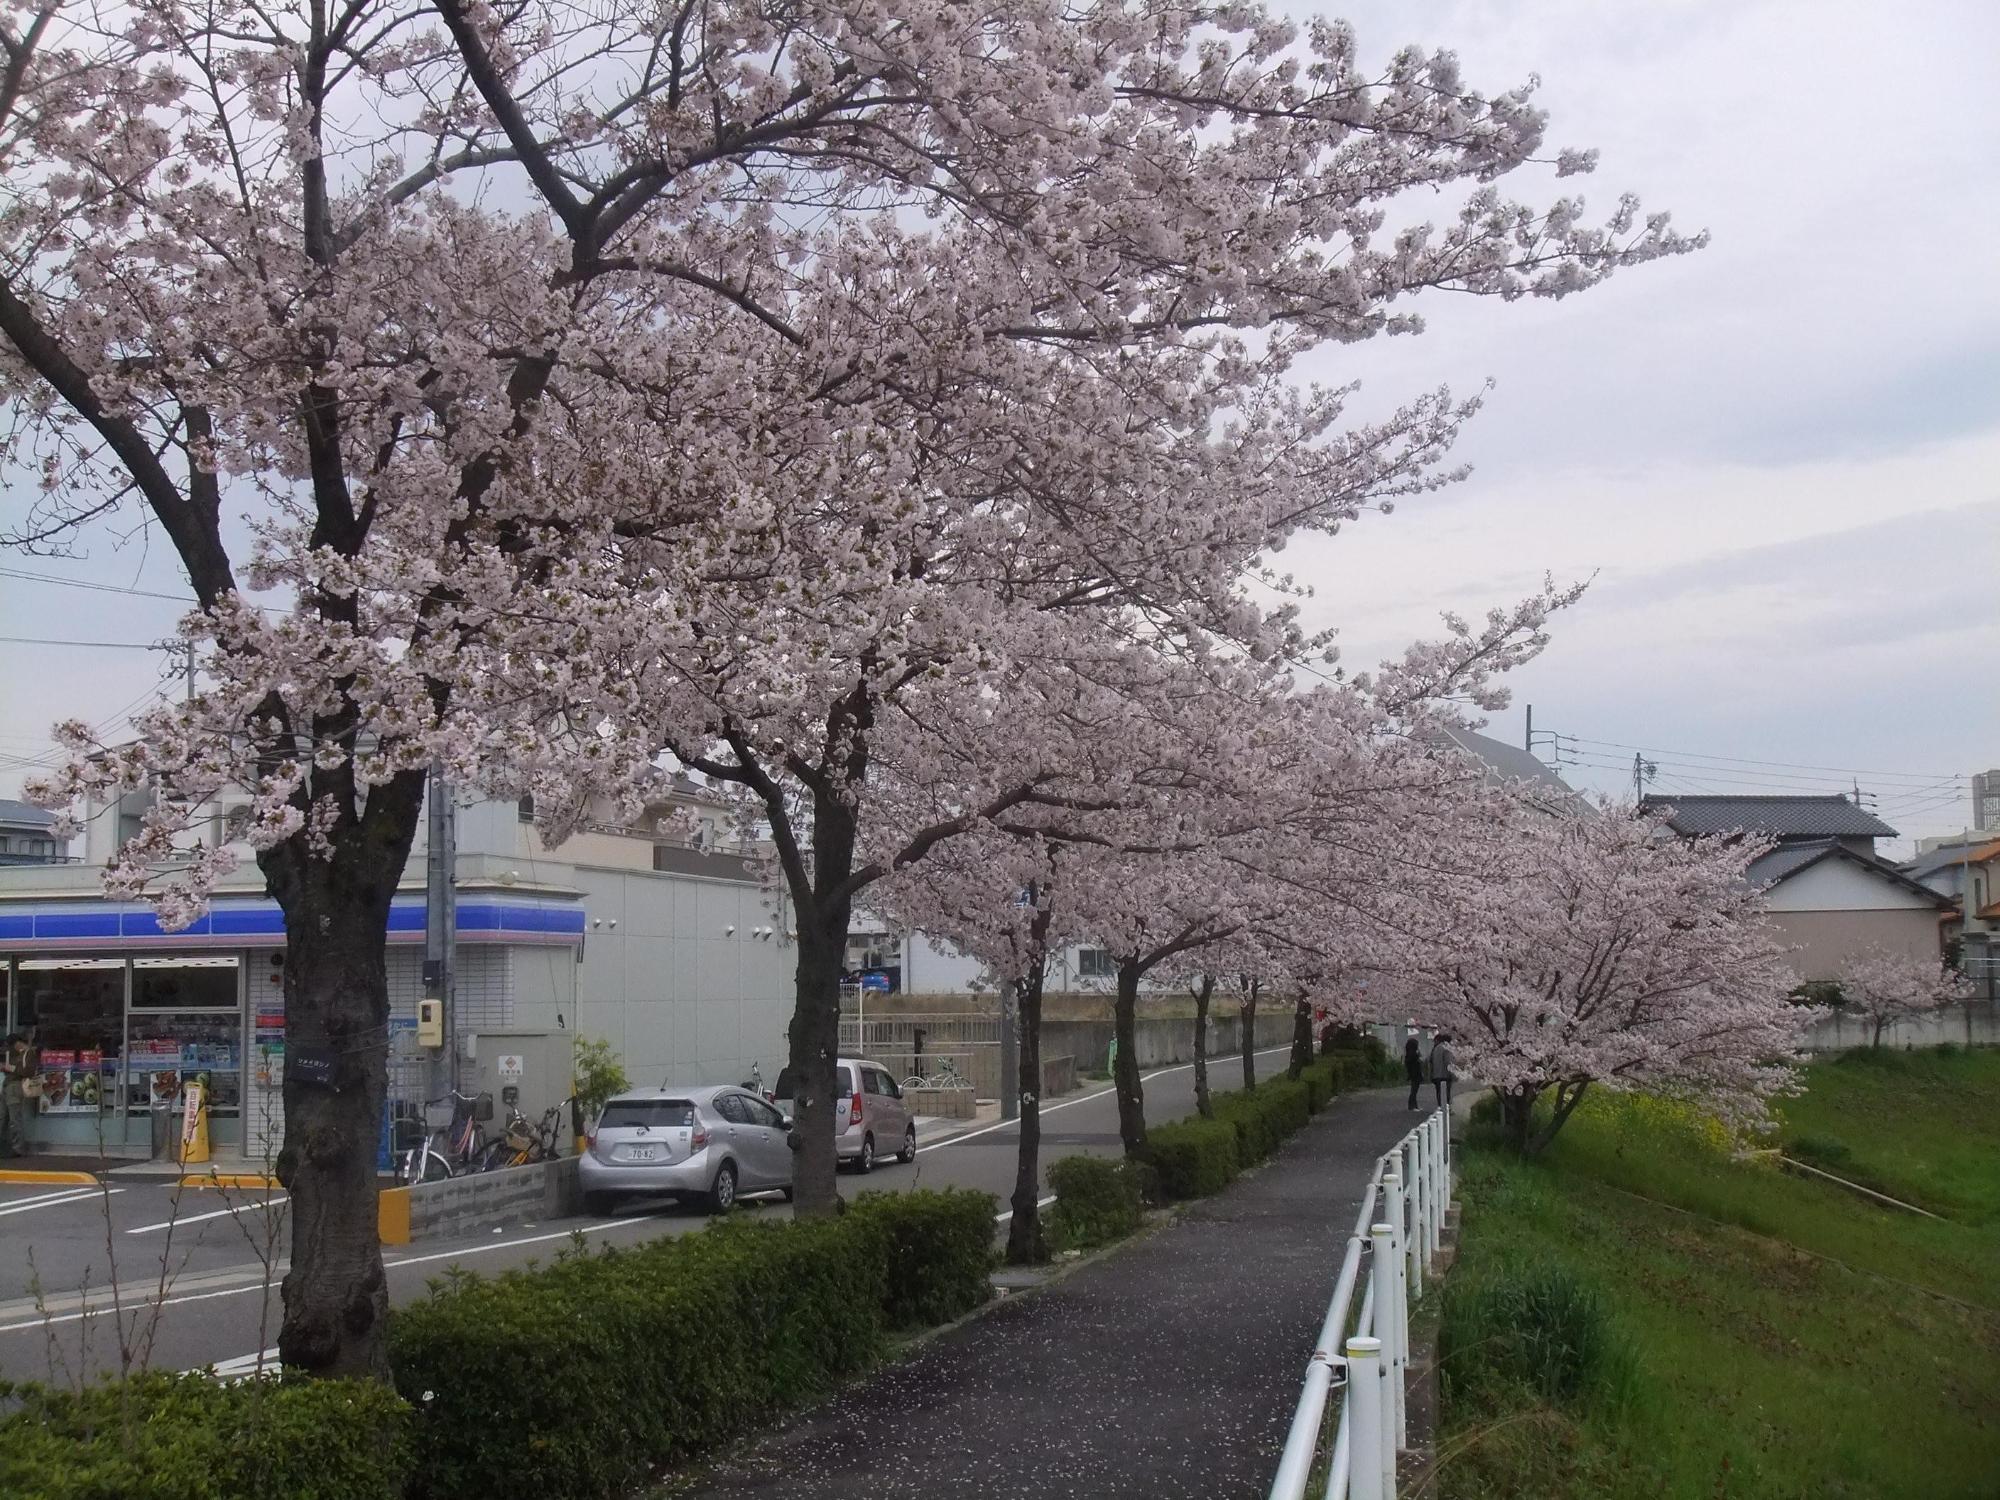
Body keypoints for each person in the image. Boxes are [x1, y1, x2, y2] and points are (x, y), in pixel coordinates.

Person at [1, 1032, 33, 1158]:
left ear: (17, 1043)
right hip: (8, 1085)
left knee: (15, 1119)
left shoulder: (28, 1054)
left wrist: (9, 1068)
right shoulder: (18, 1055)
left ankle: (17, 1148)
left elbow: (29, 1071)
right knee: (2, 1117)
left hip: (15, 1086)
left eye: (11, 1045)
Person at [1428, 1032, 1456, 1109]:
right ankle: (1446, 1108)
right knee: (1446, 1092)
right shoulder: (1446, 1048)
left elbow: (1430, 1061)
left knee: (1438, 1092)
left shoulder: (1435, 1048)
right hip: (1445, 1074)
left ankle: (1440, 1107)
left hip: (1436, 1074)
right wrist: (1452, 1073)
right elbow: (1448, 1061)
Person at [1403, 1031, 1424, 1110]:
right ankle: (1412, 1106)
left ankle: (1414, 1105)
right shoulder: (1413, 1055)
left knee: (1414, 1090)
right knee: (1414, 1091)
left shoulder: (1409, 1055)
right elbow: (1417, 1062)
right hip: (1415, 1074)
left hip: (1413, 1074)